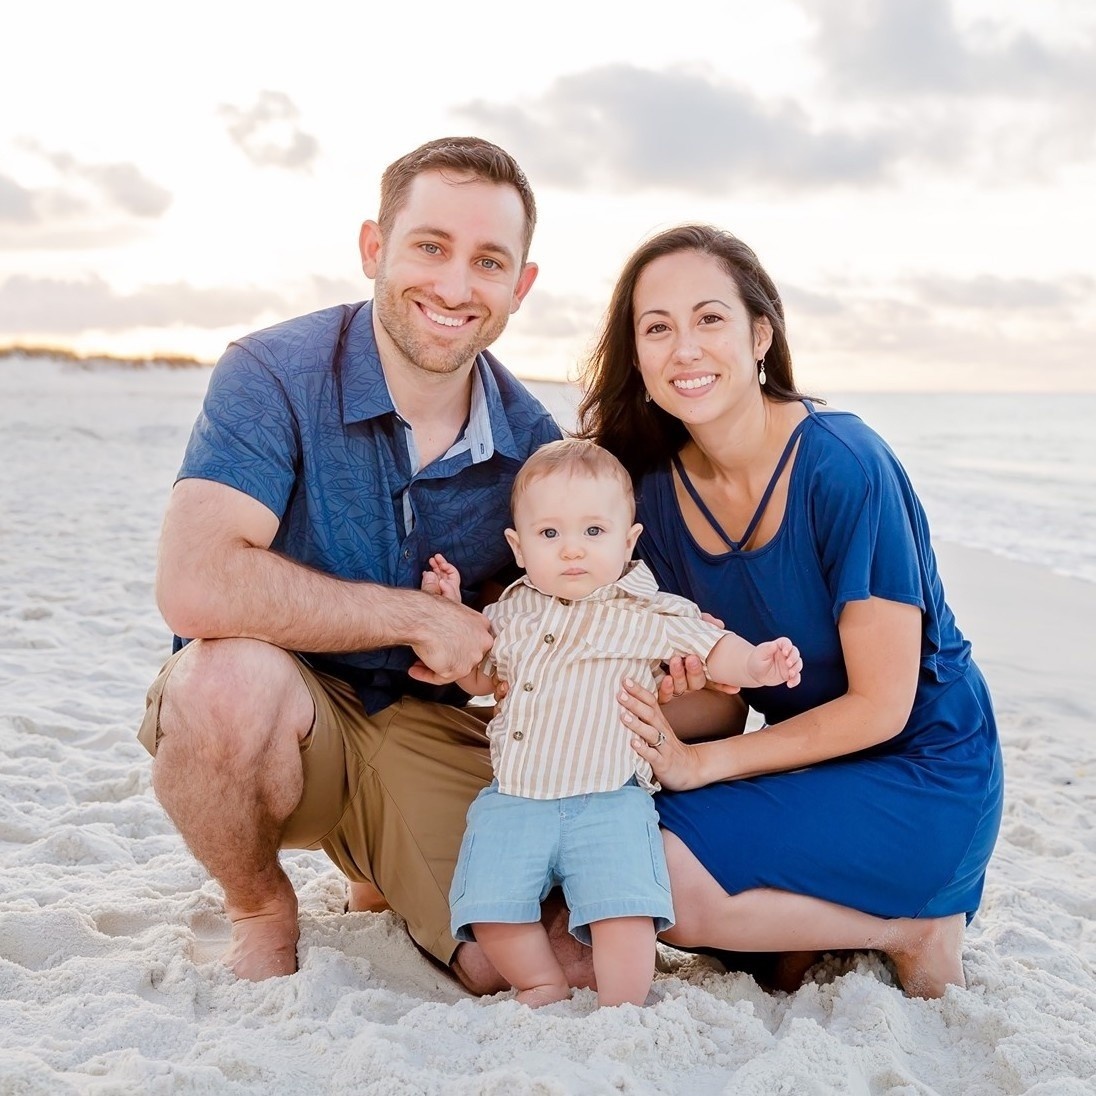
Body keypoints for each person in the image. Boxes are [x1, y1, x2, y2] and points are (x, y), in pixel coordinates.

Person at [136, 136, 568, 989]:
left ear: (520, 286)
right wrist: (416, 615)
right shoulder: (273, 371)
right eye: (430, 247)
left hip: (418, 727)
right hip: (276, 717)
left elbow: (529, 637)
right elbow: (194, 583)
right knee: (222, 684)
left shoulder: (533, 445)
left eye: (488, 262)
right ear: (375, 247)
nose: (455, 287)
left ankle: (379, 865)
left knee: (530, 964)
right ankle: (260, 906)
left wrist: (487, 647)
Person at [576, 224, 1004, 999]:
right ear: (635, 356)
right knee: (613, 851)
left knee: (657, 872)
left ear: (760, 336)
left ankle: (914, 928)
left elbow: (882, 706)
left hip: (925, 767)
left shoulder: (844, 465)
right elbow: (722, 709)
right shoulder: (651, 496)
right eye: (657, 328)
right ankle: (810, 931)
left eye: (710, 319)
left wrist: (701, 767)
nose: (685, 349)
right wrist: (670, 704)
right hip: (807, 765)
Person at [421, 438, 803, 1007]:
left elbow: (710, 645)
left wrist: (755, 664)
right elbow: (477, 676)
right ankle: (541, 982)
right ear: (519, 547)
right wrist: (450, 611)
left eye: (594, 531)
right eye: (550, 534)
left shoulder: (648, 613)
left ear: (627, 542)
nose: (572, 549)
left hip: (608, 800)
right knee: (491, 907)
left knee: (624, 910)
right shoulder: (507, 615)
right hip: (515, 799)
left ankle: (623, 1005)